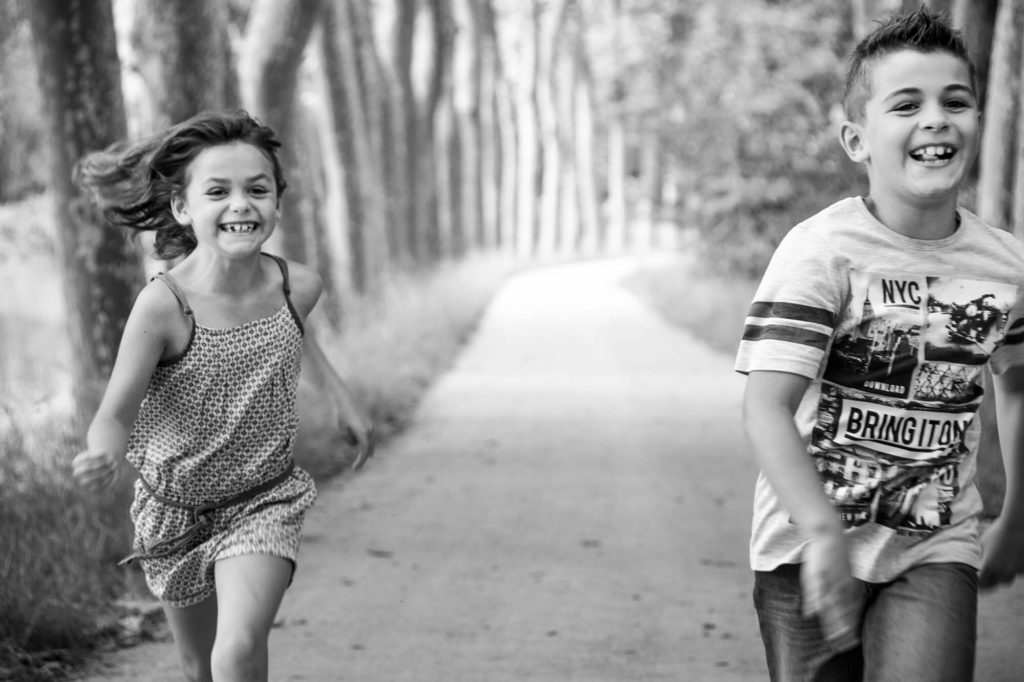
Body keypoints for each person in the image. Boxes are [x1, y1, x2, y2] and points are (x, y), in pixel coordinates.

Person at [735, 8, 1024, 681]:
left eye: (957, 101)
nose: (936, 118)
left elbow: (1017, 383)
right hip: (801, 547)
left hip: (936, 544)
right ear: (857, 139)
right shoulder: (822, 253)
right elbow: (765, 407)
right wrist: (822, 529)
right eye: (906, 103)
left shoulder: (1005, 267)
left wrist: (1016, 517)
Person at [71, 110, 375, 682]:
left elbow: (293, 331)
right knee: (198, 667)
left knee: (235, 651)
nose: (241, 204)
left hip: (264, 498)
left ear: (277, 204)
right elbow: (115, 412)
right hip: (174, 511)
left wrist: (342, 399)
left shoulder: (296, 285)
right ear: (185, 209)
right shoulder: (164, 306)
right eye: (218, 191)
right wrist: (104, 451)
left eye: (256, 190)